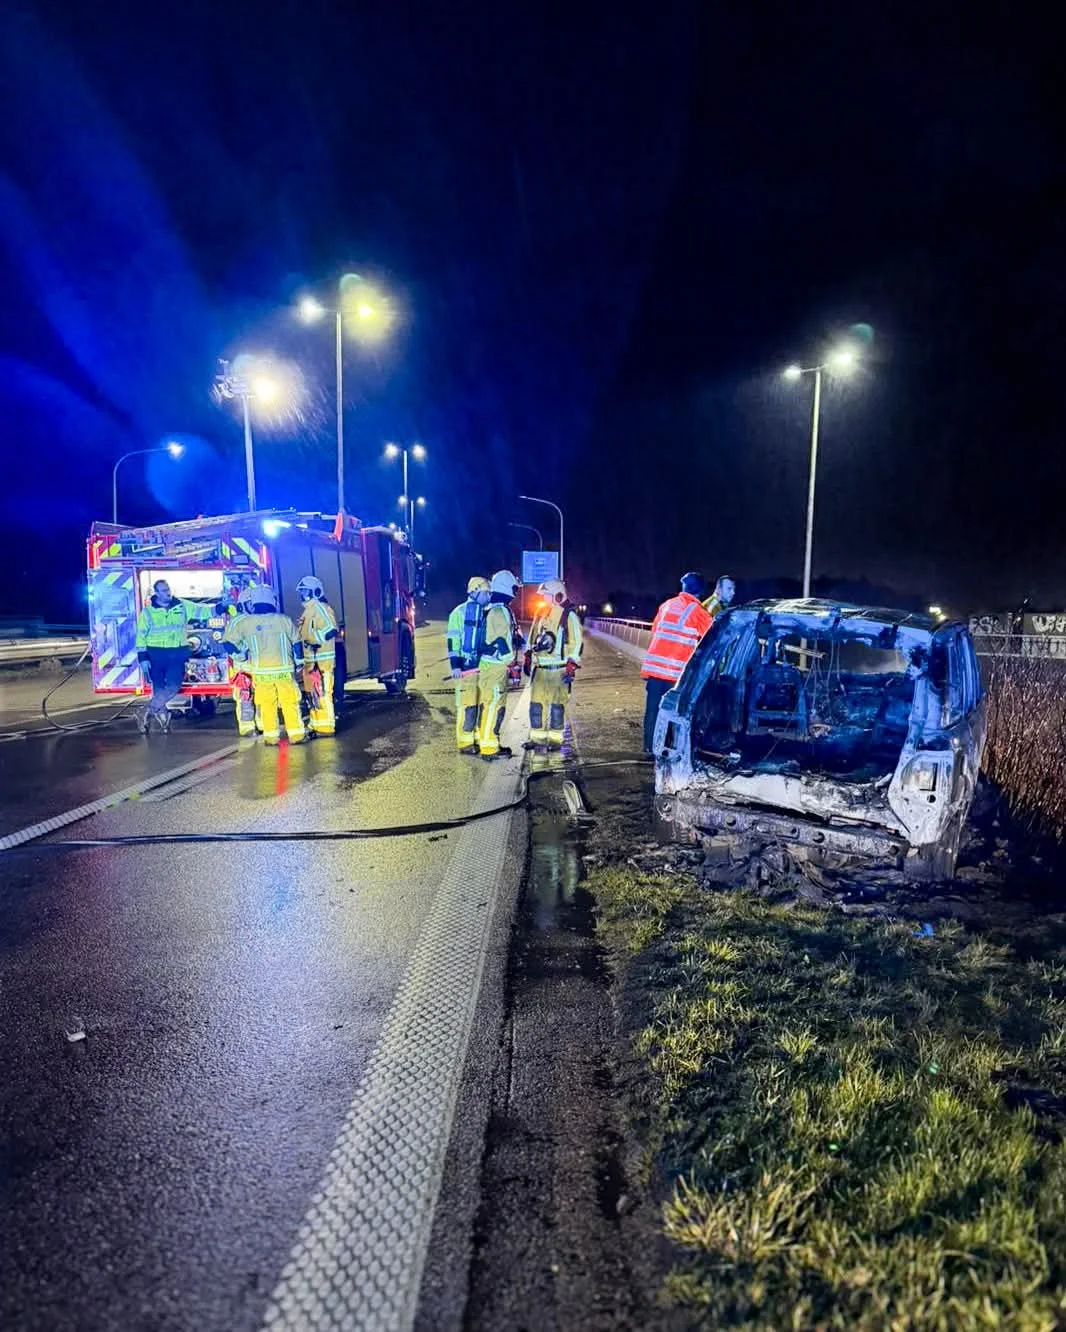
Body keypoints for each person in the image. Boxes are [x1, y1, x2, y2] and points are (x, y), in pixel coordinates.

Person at [222, 584, 305, 745]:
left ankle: (271, 737)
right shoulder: (284, 620)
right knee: (290, 703)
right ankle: (296, 735)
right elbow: (297, 643)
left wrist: (239, 655)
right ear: (272, 600)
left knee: (267, 705)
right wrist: (300, 662)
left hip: (261, 673)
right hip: (284, 671)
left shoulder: (246, 623)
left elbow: (227, 642)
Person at [641, 572, 714, 754]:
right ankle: (667, 750)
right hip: (676, 673)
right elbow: (712, 637)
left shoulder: (666, 605)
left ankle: (649, 747)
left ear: (683, 587)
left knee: (653, 710)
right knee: (673, 712)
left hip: (655, 669)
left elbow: (655, 629)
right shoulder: (698, 612)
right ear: (701, 592)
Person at [135, 579, 208, 733]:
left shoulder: (182, 605)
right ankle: (163, 721)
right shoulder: (148, 612)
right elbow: (141, 635)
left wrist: (220, 608)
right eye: (163, 590)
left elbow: (202, 611)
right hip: (155, 655)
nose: (167, 593)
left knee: (174, 686)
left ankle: (146, 710)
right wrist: (142, 658)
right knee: (159, 689)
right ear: (156, 593)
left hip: (176, 654)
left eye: (168, 589)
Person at [524, 577, 584, 751]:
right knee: (536, 706)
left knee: (557, 707)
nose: (543, 598)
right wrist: (528, 654)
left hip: (559, 670)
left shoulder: (568, 616)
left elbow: (577, 641)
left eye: (546, 595)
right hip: (540, 670)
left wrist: (572, 663)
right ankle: (537, 739)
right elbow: (533, 636)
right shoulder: (541, 614)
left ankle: (555, 740)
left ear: (558, 596)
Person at [478, 570, 521, 760]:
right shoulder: (500, 611)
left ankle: (492, 742)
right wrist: (512, 664)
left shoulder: (492, 609)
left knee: (495, 705)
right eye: (514, 589)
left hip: (493, 665)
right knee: (492, 706)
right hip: (495, 666)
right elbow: (502, 641)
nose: (515, 593)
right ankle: (488, 748)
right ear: (506, 588)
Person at [446, 576, 491, 754]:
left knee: (480, 706)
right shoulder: (458, 613)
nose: (489, 596)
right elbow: (453, 641)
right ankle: (465, 743)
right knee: (468, 706)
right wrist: (455, 666)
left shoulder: (487, 612)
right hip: (466, 669)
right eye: (486, 592)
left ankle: (477, 740)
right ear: (476, 591)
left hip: (483, 668)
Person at [296, 575, 339, 737]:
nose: (303, 595)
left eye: (306, 591)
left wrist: (314, 639)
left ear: (316, 591)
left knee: (323, 694)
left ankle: (326, 727)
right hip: (310, 663)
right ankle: (316, 724)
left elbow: (331, 629)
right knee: (312, 695)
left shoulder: (321, 608)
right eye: (302, 592)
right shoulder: (308, 611)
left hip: (322, 661)